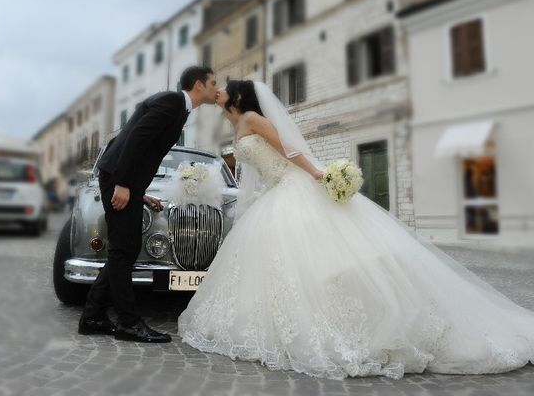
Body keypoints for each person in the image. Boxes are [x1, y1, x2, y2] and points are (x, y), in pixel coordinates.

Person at [178, 79, 534, 379]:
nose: (219, 90)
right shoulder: (235, 126)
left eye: (224, 88)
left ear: (238, 96)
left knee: (323, 254)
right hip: (272, 195)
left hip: (293, 188)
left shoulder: (254, 118)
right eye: (215, 86)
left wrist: (319, 174)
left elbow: (288, 150)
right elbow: (252, 172)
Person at [79, 66, 218, 343]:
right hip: (120, 180)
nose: (217, 88)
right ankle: (127, 323)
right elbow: (135, 140)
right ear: (199, 86)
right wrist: (122, 183)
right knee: (123, 250)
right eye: (214, 83)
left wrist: (137, 192)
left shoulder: (178, 107)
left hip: (126, 182)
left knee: (124, 250)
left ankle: (93, 317)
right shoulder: (171, 102)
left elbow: (139, 145)